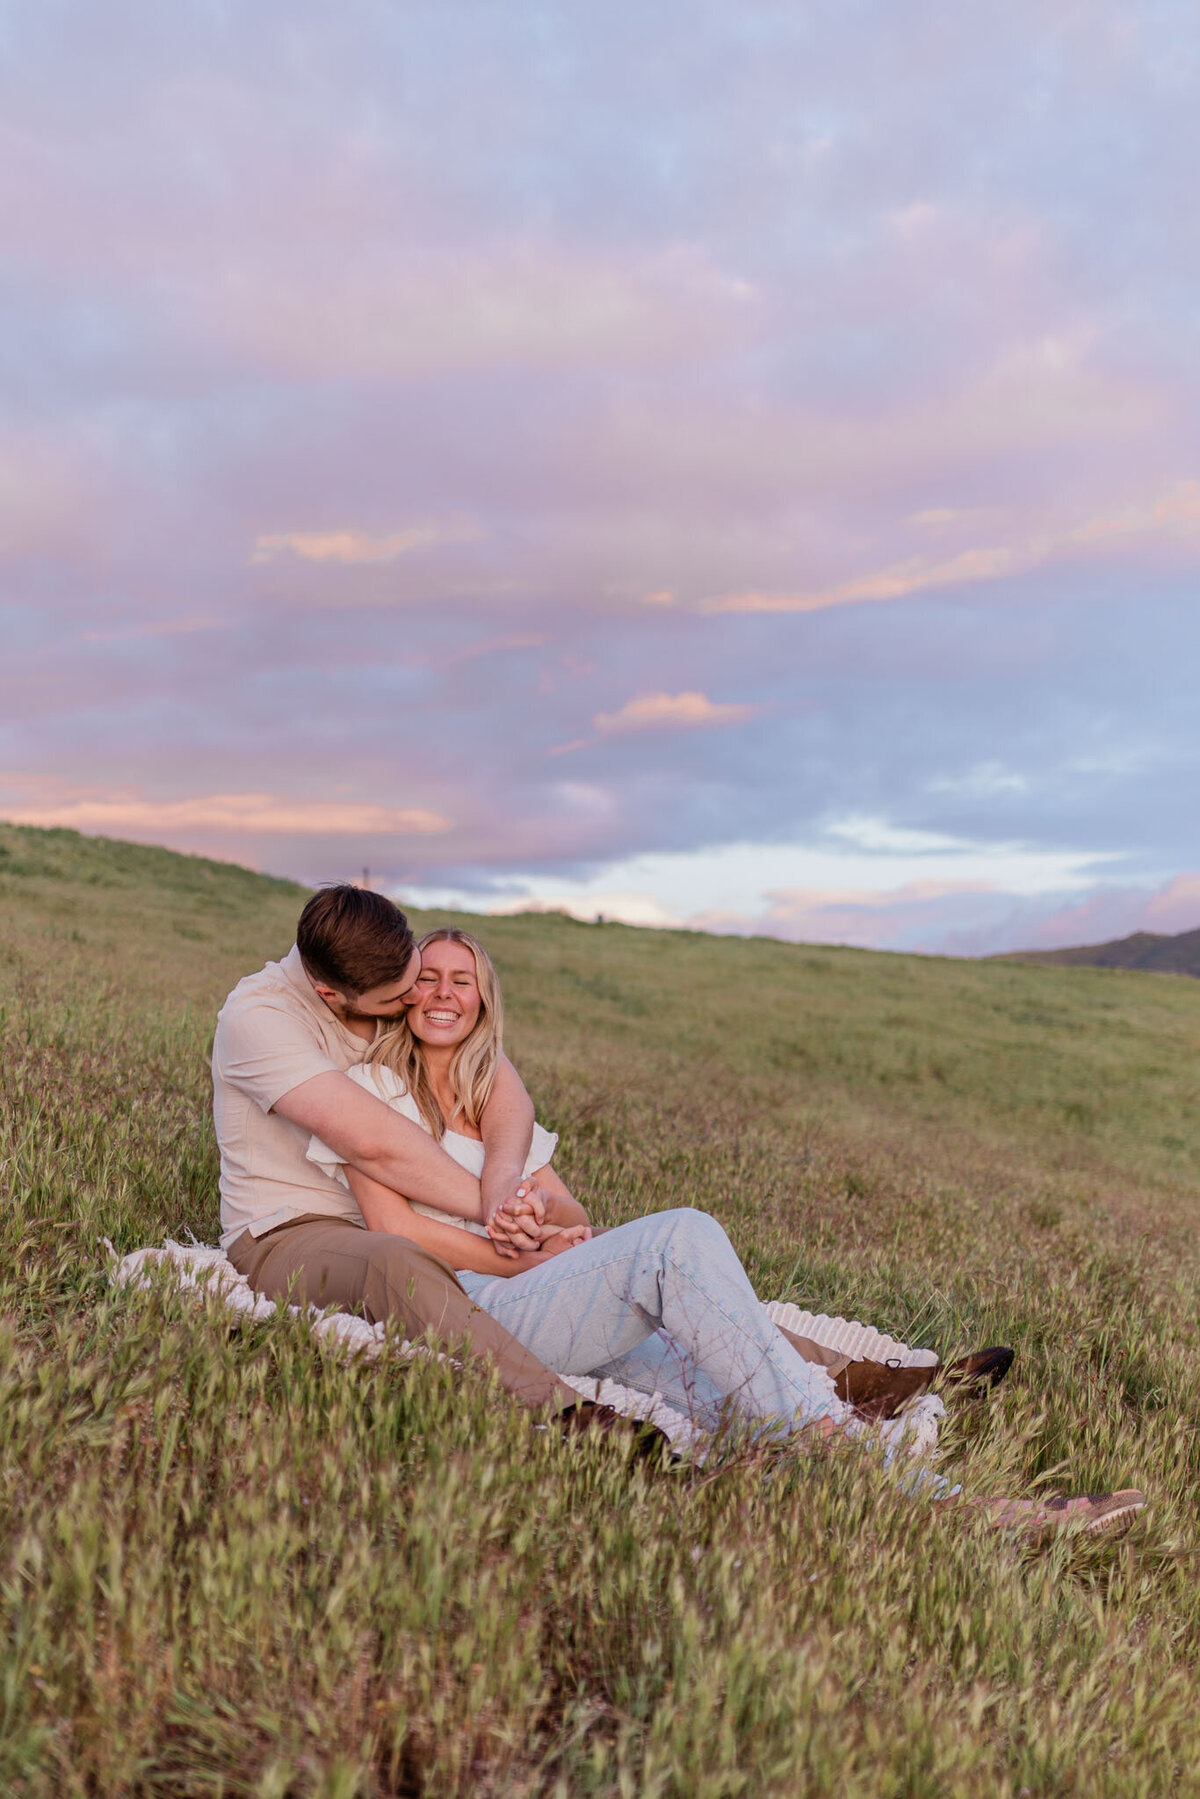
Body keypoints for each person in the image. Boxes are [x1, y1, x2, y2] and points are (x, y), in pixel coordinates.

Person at [304, 924, 1146, 1536]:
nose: (445, 991)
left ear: (483, 996)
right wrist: (510, 1245)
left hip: (547, 1286)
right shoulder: (372, 1091)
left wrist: (550, 1226)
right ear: (405, 993)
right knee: (680, 1239)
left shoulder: (497, 1097)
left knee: (724, 1369)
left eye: (464, 977)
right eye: (430, 976)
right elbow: (393, 1234)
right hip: (481, 1305)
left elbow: (570, 1210)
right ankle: (864, 1457)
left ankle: (957, 1507)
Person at [214, 885, 631, 1437]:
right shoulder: (259, 1018)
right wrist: (511, 1222)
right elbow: (374, 1143)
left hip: (399, 1218)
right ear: (331, 994)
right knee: (395, 1258)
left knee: (615, 1247)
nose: (418, 997)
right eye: (401, 996)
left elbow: (500, 1079)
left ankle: (775, 1352)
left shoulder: (385, 981)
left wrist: (513, 1195)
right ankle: (569, 1415)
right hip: (290, 1233)